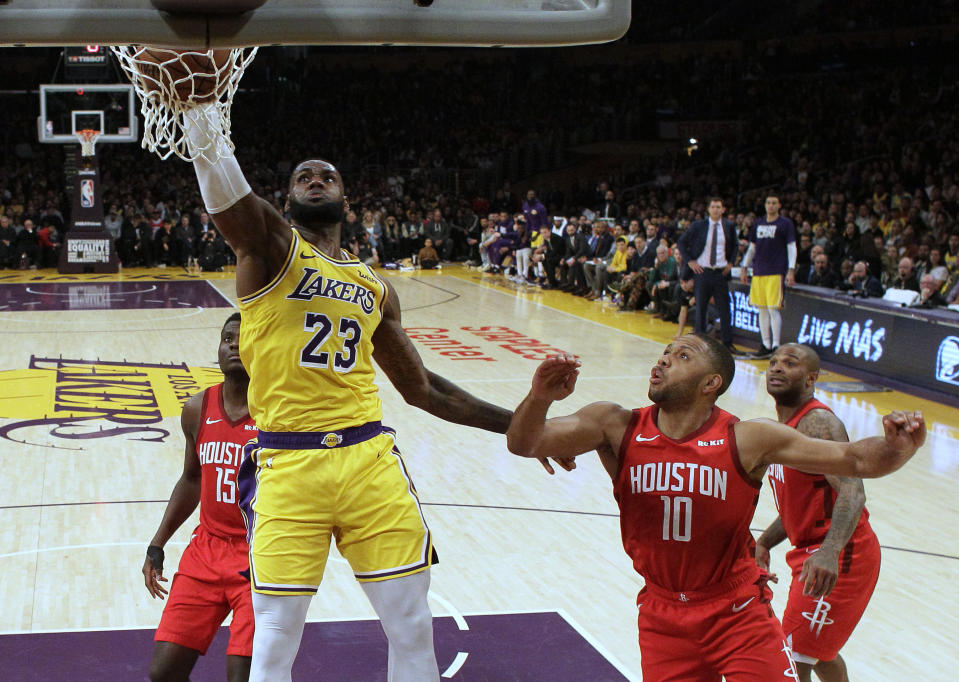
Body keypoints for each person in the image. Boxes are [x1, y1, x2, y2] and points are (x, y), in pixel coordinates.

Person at [179, 99, 513, 682]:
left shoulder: (373, 286)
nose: (315, 179)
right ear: (285, 201)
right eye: (303, 176)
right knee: (275, 639)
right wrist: (199, 112)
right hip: (288, 462)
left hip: (367, 459)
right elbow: (229, 197)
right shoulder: (272, 249)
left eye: (327, 175)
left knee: (412, 625)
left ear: (346, 199)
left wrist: (522, 427)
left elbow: (425, 388)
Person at [506, 333, 924, 681]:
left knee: (811, 652)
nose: (664, 360)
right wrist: (539, 397)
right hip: (662, 613)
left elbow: (856, 461)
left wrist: (897, 447)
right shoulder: (613, 424)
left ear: (711, 383)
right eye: (665, 353)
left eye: (682, 355)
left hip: (736, 610)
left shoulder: (749, 438)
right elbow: (524, 443)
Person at [756, 344, 882, 682]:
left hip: (842, 555)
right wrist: (765, 541)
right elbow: (800, 503)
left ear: (811, 378)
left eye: (790, 363)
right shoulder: (783, 428)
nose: (777, 368)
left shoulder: (818, 422)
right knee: (819, 652)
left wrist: (830, 552)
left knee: (792, 654)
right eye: (773, 362)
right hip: (813, 551)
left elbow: (853, 490)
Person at [143, 313, 256, 682]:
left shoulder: (281, 411)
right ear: (219, 349)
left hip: (260, 556)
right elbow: (191, 480)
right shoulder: (196, 408)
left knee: (244, 676)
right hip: (205, 551)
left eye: (244, 338)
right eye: (227, 339)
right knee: (163, 674)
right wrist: (157, 544)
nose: (234, 345)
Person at [678, 197, 743, 354]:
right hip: (702, 272)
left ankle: (727, 343)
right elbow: (681, 242)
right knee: (701, 308)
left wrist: (731, 263)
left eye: (718, 207)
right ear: (708, 209)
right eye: (713, 206)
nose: (715, 209)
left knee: (725, 309)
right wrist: (690, 261)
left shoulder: (728, 226)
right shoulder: (698, 225)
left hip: (720, 273)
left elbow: (735, 246)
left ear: (723, 209)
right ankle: (699, 345)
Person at [740, 195, 797, 358]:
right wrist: (744, 266)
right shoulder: (758, 223)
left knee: (773, 309)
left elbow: (792, 247)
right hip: (758, 271)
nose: (771, 206)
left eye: (774, 203)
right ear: (765, 205)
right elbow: (751, 248)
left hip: (776, 271)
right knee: (762, 310)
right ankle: (765, 344)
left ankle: (776, 345)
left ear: (779, 205)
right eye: (768, 203)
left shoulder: (785, 224)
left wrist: (791, 269)